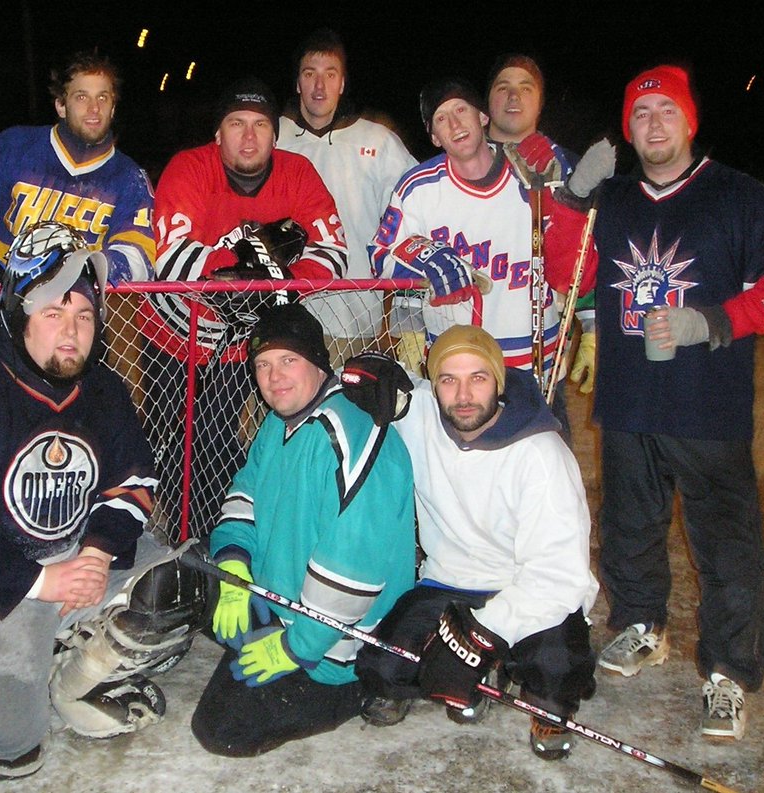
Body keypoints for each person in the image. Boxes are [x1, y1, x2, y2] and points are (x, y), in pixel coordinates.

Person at [545, 64, 764, 741]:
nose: (653, 124)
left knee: (725, 541)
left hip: (709, 403)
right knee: (630, 520)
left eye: (666, 111)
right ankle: (641, 623)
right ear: (627, 130)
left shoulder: (742, 197)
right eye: (640, 115)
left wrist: (714, 321)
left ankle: (727, 670)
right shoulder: (614, 198)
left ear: (691, 120)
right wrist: (574, 201)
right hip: (629, 396)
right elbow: (559, 274)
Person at [0, 221, 210, 785]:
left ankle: (73, 682)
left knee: (181, 582)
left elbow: (134, 482)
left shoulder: (105, 392)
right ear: (19, 315)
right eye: (53, 312)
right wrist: (45, 584)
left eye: (84, 315)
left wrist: (96, 552)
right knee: (9, 752)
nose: (72, 331)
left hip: (66, 562)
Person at [347, 325, 598, 760]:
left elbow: (558, 576)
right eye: (449, 379)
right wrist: (367, 374)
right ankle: (481, 676)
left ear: (498, 383)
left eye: (478, 378)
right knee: (380, 668)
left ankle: (539, 699)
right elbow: (362, 383)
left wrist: (479, 637)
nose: (463, 394)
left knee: (557, 670)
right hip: (450, 582)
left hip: (528, 588)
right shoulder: (421, 410)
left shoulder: (542, 455)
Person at [190, 302, 416, 757]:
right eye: (263, 365)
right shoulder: (279, 421)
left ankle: (367, 687)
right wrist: (234, 569)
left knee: (222, 729)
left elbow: (353, 570)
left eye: (288, 360)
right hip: (282, 603)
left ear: (317, 362)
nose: (274, 378)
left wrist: (296, 648)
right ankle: (264, 631)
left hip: (338, 644)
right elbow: (245, 495)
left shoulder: (355, 433)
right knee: (182, 576)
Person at [137, 77, 348, 539]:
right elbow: (171, 256)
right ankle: (181, 535)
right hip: (171, 335)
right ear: (218, 133)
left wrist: (269, 281)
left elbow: (333, 253)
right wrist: (250, 270)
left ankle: (216, 535)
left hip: (241, 344)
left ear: (275, 134)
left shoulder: (298, 173)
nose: (249, 136)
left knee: (214, 439)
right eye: (236, 123)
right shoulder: (189, 168)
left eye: (259, 125)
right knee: (166, 441)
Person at [368, 78, 612, 435]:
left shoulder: (534, 172)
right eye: (441, 119)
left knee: (541, 480)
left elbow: (575, 258)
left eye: (461, 110)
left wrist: (590, 322)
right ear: (434, 137)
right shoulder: (418, 187)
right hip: (459, 373)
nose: (454, 124)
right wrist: (424, 259)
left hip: (534, 367)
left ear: (482, 116)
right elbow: (382, 255)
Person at [276, 28, 417, 365]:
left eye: (330, 74)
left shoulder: (378, 141)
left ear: (342, 83)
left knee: (345, 412)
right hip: (282, 312)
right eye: (310, 74)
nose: (319, 86)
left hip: (354, 317)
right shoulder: (272, 136)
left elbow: (416, 208)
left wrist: (401, 307)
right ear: (297, 83)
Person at [0, 50, 155, 286]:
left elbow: (139, 260)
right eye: (82, 97)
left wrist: (78, 271)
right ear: (61, 106)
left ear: (113, 108)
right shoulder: (10, 148)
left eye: (103, 98)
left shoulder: (130, 179)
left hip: (77, 311)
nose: (94, 108)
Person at [485, 53, 599, 407]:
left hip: (541, 360)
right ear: (487, 101)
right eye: (503, 87)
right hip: (464, 355)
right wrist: (406, 318)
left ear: (540, 102)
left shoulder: (569, 168)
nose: (514, 97)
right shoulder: (460, 160)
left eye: (525, 88)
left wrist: (594, 329)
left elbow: (584, 253)